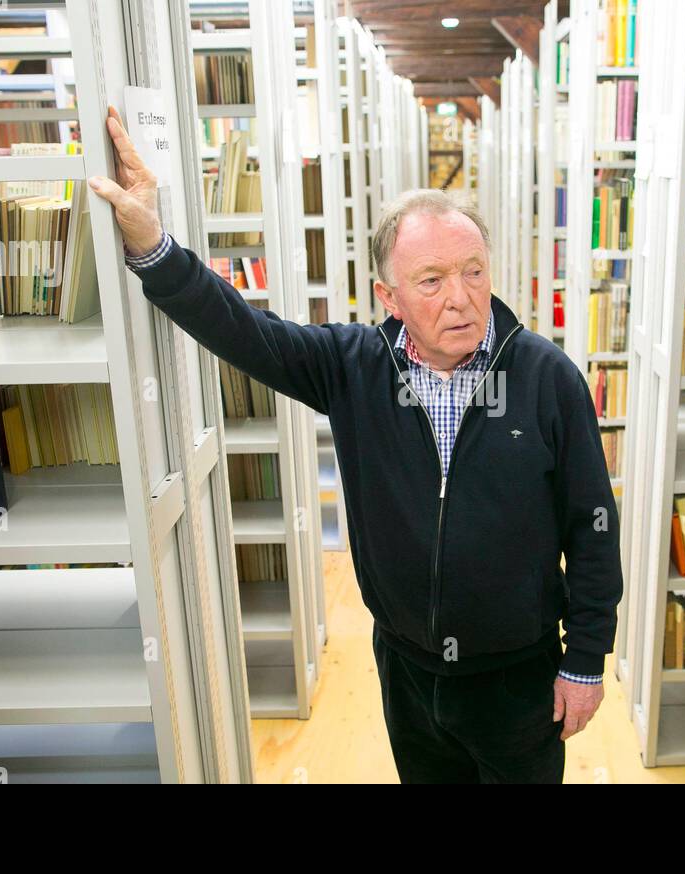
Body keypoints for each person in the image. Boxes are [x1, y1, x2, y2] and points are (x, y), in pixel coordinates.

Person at [89, 107, 622, 784]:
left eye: (474, 272)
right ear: (389, 296)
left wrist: (585, 660)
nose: (460, 298)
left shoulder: (548, 379)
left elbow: (595, 529)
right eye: (431, 281)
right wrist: (153, 246)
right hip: (405, 669)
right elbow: (243, 332)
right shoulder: (351, 366)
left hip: (518, 678)